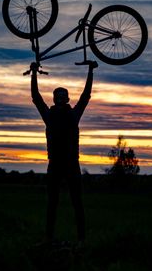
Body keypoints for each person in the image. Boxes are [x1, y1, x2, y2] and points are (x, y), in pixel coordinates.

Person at [30, 60, 98, 244]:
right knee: (52, 203)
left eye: (63, 96)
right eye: (57, 96)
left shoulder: (73, 115)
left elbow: (86, 96)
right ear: (54, 99)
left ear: (67, 99)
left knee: (77, 202)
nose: (60, 99)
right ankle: (48, 238)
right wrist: (34, 73)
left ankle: (82, 240)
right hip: (54, 164)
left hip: (71, 164)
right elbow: (36, 97)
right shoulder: (49, 116)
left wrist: (91, 71)